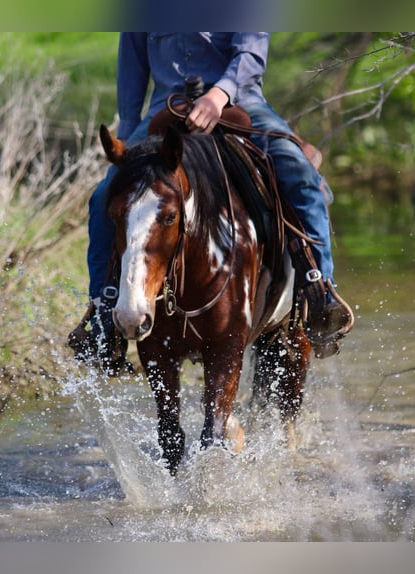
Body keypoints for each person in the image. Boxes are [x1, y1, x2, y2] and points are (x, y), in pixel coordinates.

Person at [68, 32, 353, 371]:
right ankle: (104, 311)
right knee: (104, 197)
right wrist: (129, 130)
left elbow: (251, 51)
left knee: (301, 177)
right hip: (164, 107)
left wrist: (218, 95)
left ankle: (319, 290)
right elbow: (132, 65)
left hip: (240, 103)